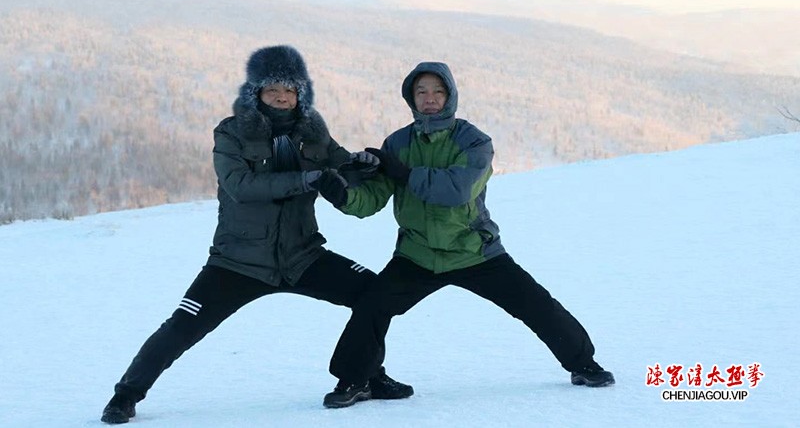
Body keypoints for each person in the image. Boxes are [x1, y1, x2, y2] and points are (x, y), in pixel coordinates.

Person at [100, 45, 412, 424]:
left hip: (302, 257)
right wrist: (303, 179)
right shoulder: (231, 133)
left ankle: (364, 377)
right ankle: (125, 396)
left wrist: (362, 166)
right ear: (256, 94)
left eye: (290, 91)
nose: (282, 98)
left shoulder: (314, 135)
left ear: (301, 95)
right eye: (272, 90)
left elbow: (339, 164)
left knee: (375, 294)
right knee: (182, 326)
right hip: (238, 262)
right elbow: (241, 186)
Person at [320, 61, 615, 408]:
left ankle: (583, 364)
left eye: (437, 91)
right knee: (372, 305)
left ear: (450, 95)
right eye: (421, 92)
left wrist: (402, 171)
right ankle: (356, 381)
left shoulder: (474, 141)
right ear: (411, 98)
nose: (429, 98)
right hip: (418, 254)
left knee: (535, 304)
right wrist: (343, 193)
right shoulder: (398, 142)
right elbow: (371, 200)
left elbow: (456, 191)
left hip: (474, 250)